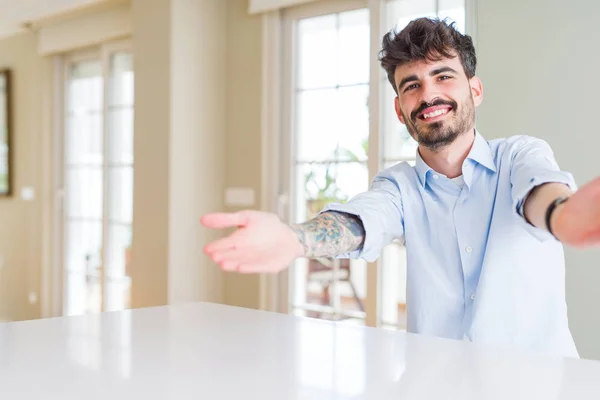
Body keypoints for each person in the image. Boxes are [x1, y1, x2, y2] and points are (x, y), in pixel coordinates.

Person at [200, 18, 600, 358]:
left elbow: (538, 193)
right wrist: (296, 238)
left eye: (443, 76)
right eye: (411, 85)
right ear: (399, 109)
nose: (428, 94)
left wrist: (563, 217)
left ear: (474, 90)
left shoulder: (519, 155)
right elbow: (362, 220)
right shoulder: (399, 186)